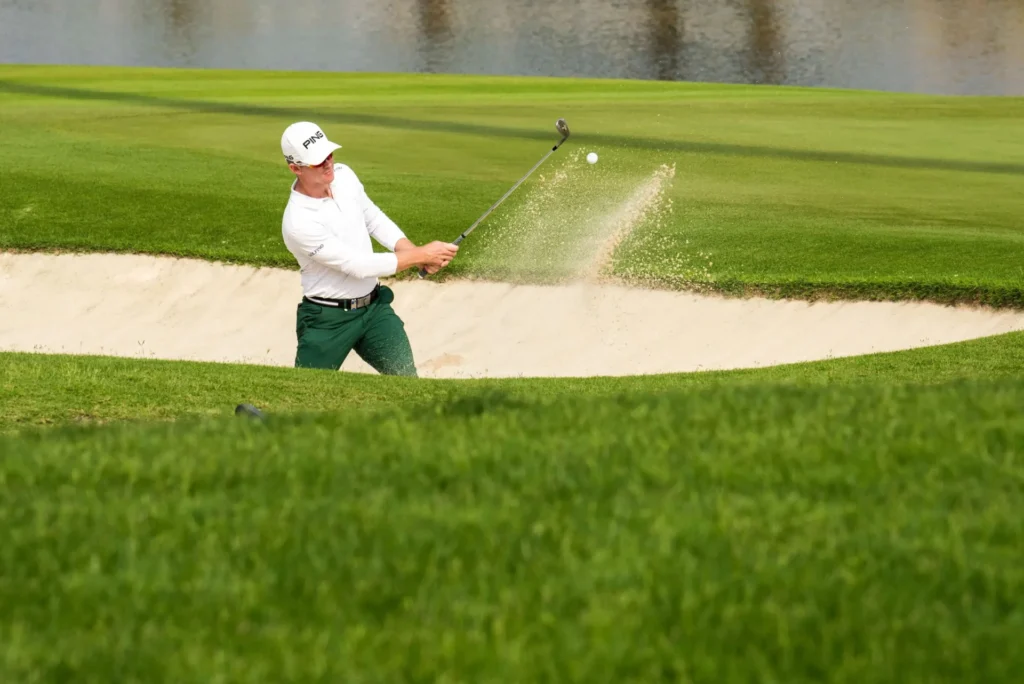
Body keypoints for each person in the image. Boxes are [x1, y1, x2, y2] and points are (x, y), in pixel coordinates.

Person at [279, 121, 458, 375]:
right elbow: (357, 265)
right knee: (305, 393)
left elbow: (372, 217)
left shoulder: (344, 175)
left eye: (329, 154)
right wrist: (423, 255)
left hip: (374, 310)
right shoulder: (298, 221)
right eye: (318, 160)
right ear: (295, 168)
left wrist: (411, 250)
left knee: (406, 381)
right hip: (327, 320)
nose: (328, 162)